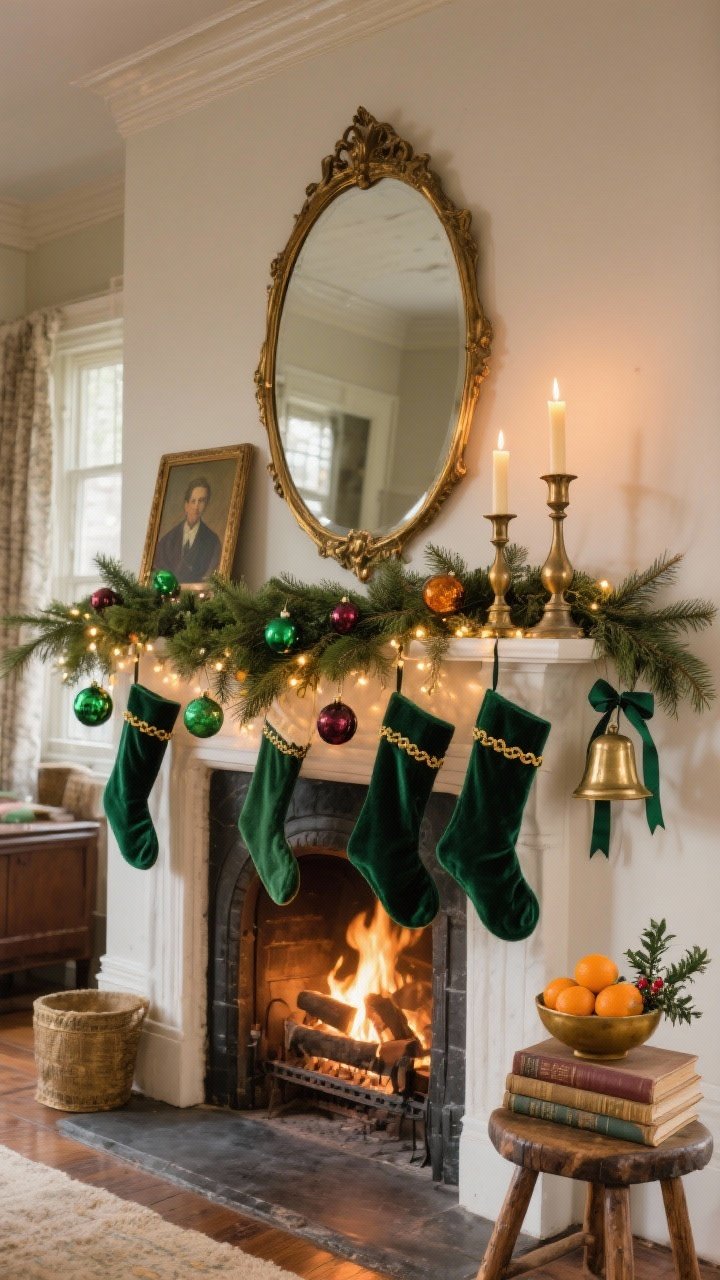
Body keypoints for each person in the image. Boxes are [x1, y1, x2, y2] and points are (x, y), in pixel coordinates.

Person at [153, 476, 222, 582]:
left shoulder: (212, 541)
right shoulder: (167, 540)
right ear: (186, 505)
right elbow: (159, 572)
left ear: (206, 505)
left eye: (201, 501)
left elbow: (210, 578)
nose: (196, 506)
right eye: (193, 501)